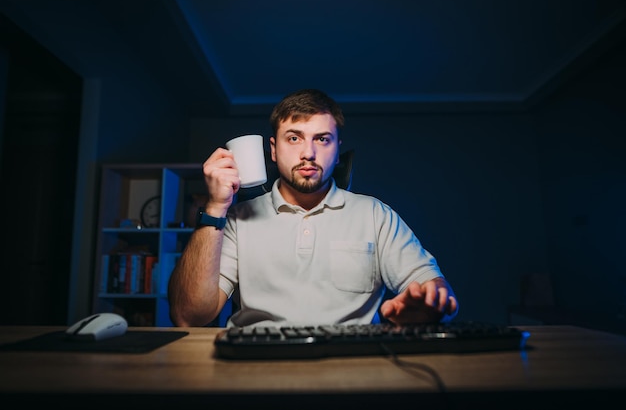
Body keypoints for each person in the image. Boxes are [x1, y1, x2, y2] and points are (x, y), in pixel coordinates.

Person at [168, 88, 459, 327]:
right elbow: (188, 317)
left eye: (322, 139)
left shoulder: (375, 215)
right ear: (273, 149)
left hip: (351, 371)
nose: (308, 153)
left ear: (337, 148)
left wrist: (431, 306)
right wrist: (217, 207)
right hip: (255, 369)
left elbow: (437, 290)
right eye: (294, 138)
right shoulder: (236, 219)